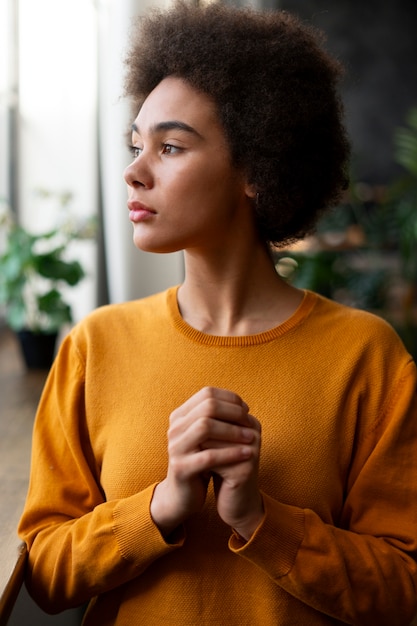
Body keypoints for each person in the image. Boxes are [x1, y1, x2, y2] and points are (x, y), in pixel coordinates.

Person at [18, 2, 417, 625]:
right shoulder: (94, 346)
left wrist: (261, 520)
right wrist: (159, 508)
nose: (133, 172)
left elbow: (402, 590)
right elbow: (42, 575)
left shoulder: (366, 355)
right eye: (135, 144)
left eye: (170, 146)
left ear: (257, 168)